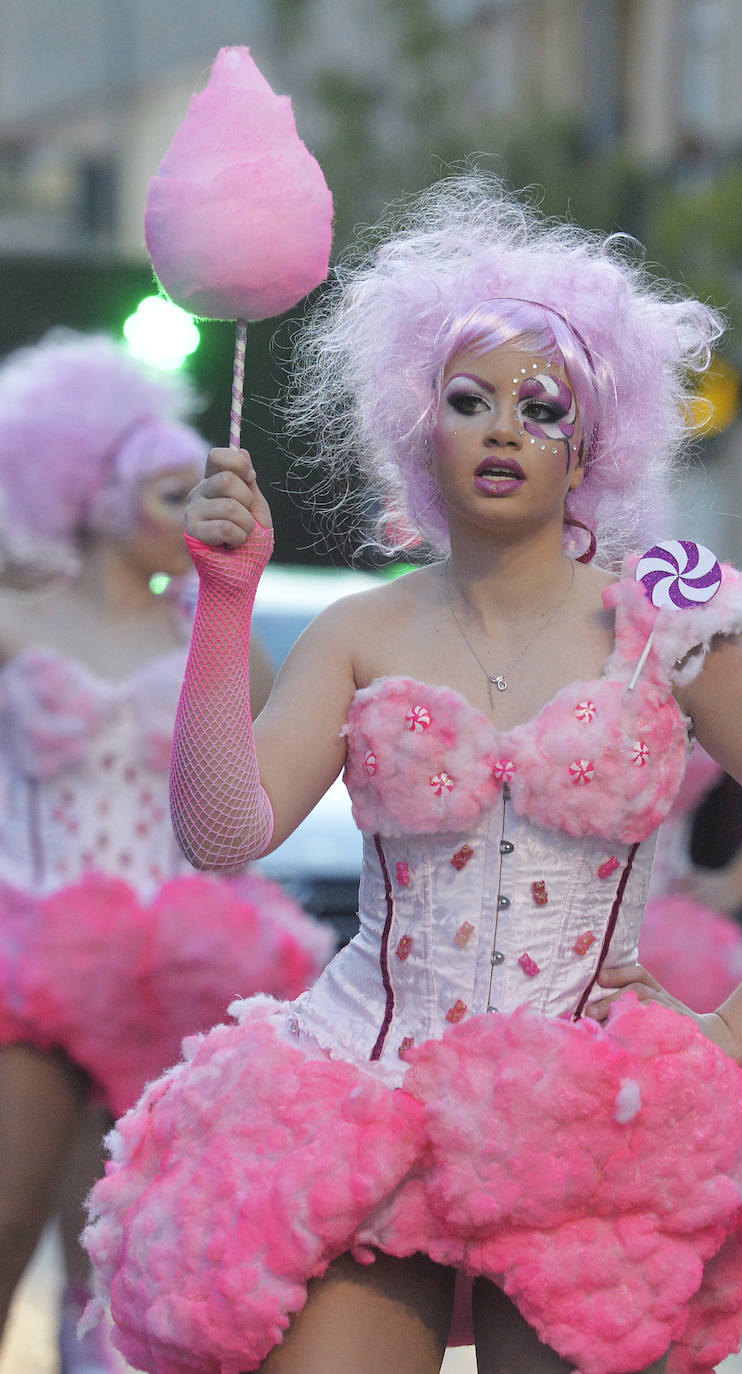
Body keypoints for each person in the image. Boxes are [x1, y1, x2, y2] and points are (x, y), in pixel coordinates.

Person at [82, 175, 742, 1374]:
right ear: (425, 431)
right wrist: (224, 601)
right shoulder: (358, 629)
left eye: (543, 405)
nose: (506, 427)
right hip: (370, 1100)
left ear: (593, 443)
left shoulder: (666, 619)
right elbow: (221, 833)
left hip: (587, 1124)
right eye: (470, 400)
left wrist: (723, 1039)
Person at [0, 332, 333, 1374]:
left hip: (180, 961)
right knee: (7, 1219)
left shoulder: (204, 629)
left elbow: (256, 732)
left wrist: (222, 594)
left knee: (135, 1249)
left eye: (203, 488)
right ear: (95, 493)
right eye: (168, 491)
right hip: (32, 955)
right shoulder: (12, 616)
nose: (194, 508)